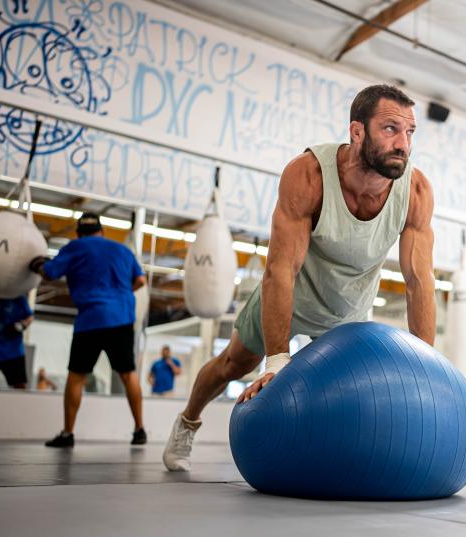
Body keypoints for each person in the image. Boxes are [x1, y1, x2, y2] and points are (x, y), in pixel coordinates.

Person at [162, 84, 436, 471]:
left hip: (349, 311)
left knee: (345, 392)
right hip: (289, 295)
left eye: (409, 133)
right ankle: (188, 421)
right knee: (232, 364)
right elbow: (280, 270)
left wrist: (426, 363)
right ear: (357, 131)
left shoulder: (417, 192)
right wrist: (275, 359)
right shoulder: (309, 175)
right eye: (390, 129)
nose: (403, 144)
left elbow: (418, 281)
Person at [29, 212, 148, 448]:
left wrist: (36, 264)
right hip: (122, 318)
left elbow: (50, 273)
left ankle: (67, 433)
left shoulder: (75, 247)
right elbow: (141, 281)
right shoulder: (123, 250)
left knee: (77, 376)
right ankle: (139, 429)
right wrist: (121, 295)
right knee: (128, 374)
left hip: (91, 319)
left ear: (79, 232)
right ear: (101, 231)